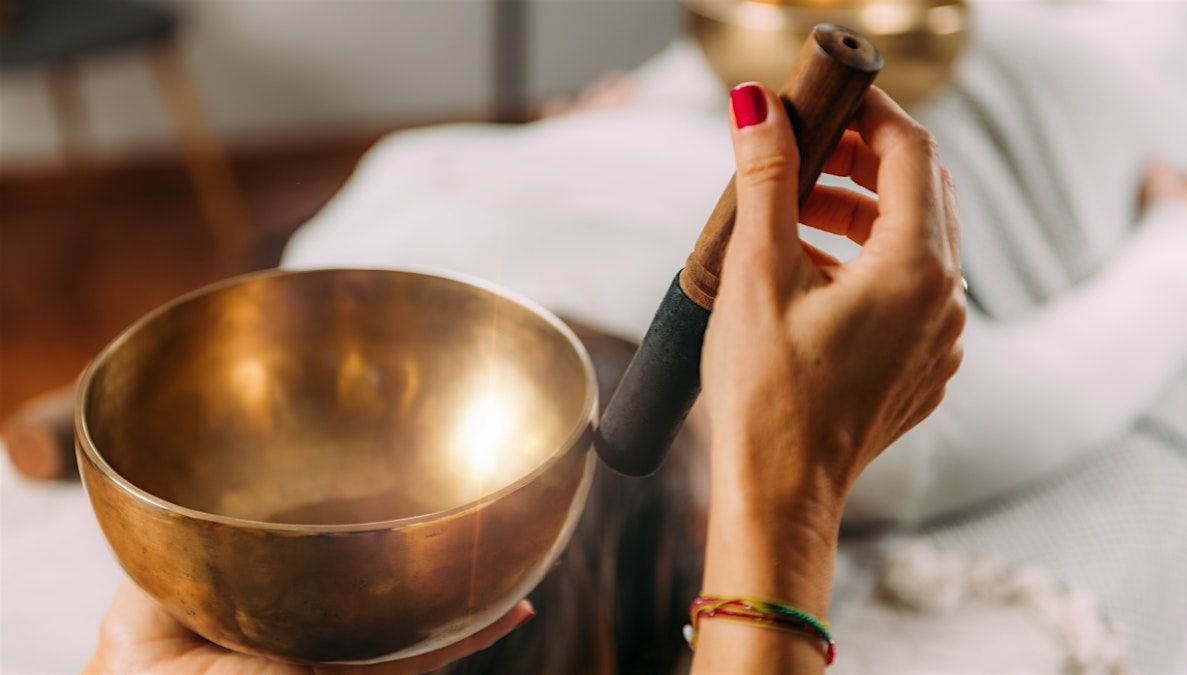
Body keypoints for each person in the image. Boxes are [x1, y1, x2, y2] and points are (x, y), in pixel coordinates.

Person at [85, 84, 965, 674]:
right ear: (702, 534)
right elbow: (1097, 349)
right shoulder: (836, 373)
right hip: (940, 130)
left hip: (564, 121)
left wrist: (569, 127)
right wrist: (791, 497)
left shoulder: (309, 318)